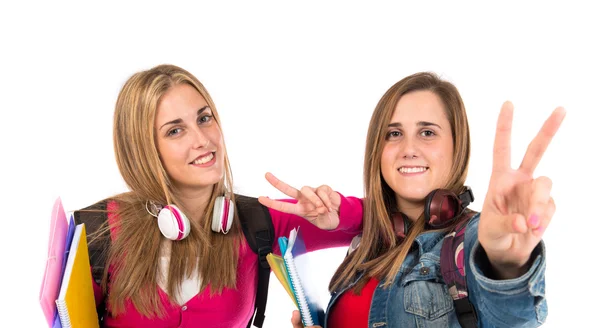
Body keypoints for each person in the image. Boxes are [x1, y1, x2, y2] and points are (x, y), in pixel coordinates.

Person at [77, 64, 363, 328]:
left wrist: (338, 213)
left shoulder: (257, 222)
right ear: (142, 149)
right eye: (175, 130)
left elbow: (391, 221)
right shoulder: (97, 232)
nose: (202, 140)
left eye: (204, 118)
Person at [290, 72, 565, 328]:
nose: (409, 149)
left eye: (427, 133)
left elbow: (512, 315)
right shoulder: (365, 246)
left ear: (457, 146)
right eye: (394, 134)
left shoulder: (472, 240)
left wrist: (506, 262)